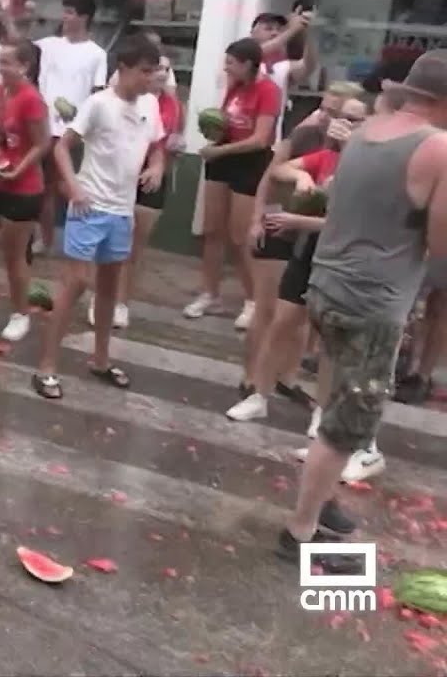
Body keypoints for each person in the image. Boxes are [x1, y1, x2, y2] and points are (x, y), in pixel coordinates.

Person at [278, 50, 447, 572]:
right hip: (373, 300)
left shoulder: (369, 130)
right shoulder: (437, 148)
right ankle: (301, 533)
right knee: (350, 423)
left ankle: (319, 495)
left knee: (337, 403)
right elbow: (440, 243)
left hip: (328, 285)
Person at [32, 35, 165, 400]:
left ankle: (101, 360)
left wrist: (156, 167)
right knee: (74, 284)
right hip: (89, 207)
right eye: (143, 71)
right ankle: (46, 366)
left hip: (122, 211)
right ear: (123, 69)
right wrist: (73, 188)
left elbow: (156, 147)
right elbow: (62, 147)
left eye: (153, 72)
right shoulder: (98, 104)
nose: (149, 78)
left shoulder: (151, 105)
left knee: (108, 288)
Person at [226, 97, 369, 428]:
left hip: (341, 256)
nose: (342, 124)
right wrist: (300, 178)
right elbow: (279, 167)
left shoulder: (368, 168)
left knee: (329, 336)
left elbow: (348, 224)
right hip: (309, 251)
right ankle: (259, 395)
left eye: (352, 119)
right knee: (281, 321)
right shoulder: (324, 153)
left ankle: (322, 410)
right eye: (337, 115)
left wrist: (295, 220)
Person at [186, 38, 280, 331]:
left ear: (248, 64)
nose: (226, 67)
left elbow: (261, 138)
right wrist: (212, 129)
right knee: (213, 230)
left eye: (231, 62)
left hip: (249, 161)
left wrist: (220, 151)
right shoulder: (235, 86)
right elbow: (228, 122)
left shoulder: (268, 90)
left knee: (241, 236)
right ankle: (209, 293)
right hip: (222, 156)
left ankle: (253, 300)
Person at [92, 44, 184, 329]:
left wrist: (161, 163)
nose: (160, 73)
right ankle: (102, 298)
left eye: (166, 69)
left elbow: (171, 141)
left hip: (151, 178)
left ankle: (121, 302)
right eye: (155, 68)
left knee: (135, 247)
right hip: (116, 176)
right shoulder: (116, 99)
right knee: (107, 245)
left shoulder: (171, 105)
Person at [0, 40, 49, 342]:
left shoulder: (31, 99)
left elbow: (43, 144)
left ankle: (21, 312)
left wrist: (18, 169)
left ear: (24, 66)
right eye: (0, 61)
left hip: (22, 187)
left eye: (7, 62)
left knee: (14, 256)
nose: (1, 68)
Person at [35, 0, 107, 254]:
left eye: (70, 12)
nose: (64, 17)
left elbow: (98, 93)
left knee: (67, 185)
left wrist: (81, 116)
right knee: (43, 189)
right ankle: (45, 240)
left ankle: (89, 231)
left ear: (84, 17)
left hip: (72, 131)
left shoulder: (97, 54)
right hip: (42, 127)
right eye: (64, 11)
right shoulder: (49, 45)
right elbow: (19, 46)